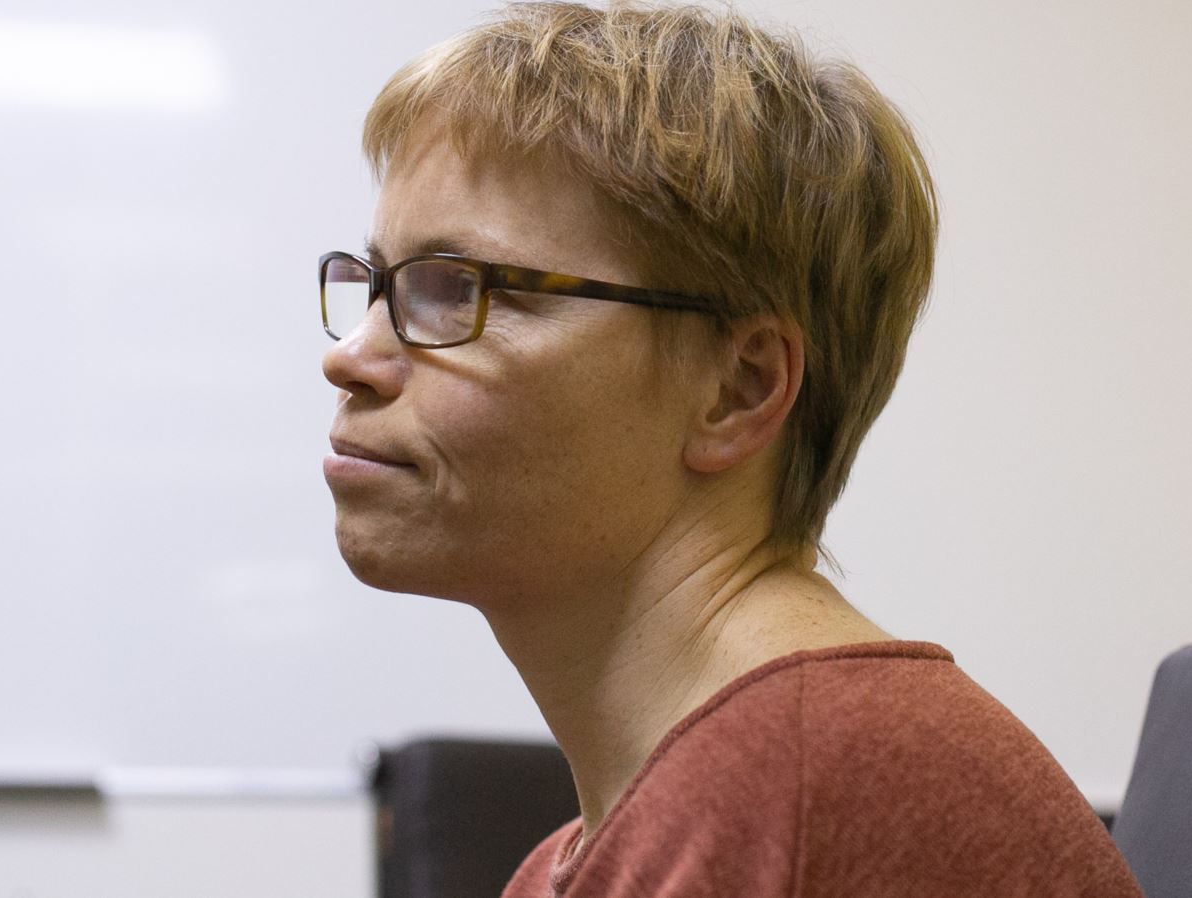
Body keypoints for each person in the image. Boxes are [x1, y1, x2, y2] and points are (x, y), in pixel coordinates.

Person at [319, 2, 1143, 895]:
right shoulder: (617, 845)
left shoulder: (807, 791)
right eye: (377, 284)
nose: (350, 356)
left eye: (459, 289)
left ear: (737, 389)